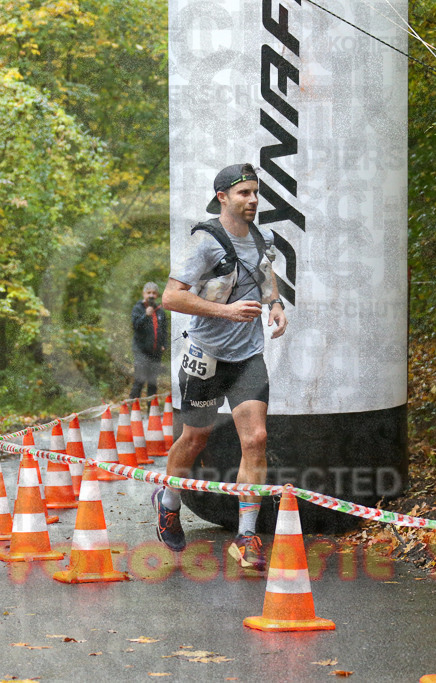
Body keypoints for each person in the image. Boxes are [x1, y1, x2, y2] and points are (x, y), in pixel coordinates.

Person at [151, 163, 287, 572]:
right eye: (244, 193)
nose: (253, 200)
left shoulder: (261, 238)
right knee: (195, 438)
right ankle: (168, 502)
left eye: (256, 192)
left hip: (247, 357)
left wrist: (275, 303)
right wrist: (226, 311)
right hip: (206, 357)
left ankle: (246, 536)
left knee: (256, 438)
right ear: (222, 197)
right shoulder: (205, 242)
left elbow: (265, 274)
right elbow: (171, 298)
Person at [130, 282, 168, 399]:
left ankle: (151, 408)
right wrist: (146, 315)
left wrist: (164, 344)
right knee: (140, 380)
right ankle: (132, 407)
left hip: (156, 352)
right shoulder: (138, 308)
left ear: (157, 295)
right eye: (149, 292)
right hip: (141, 351)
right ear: (144, 294)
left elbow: (164, 330)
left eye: (154, 293)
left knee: (153, 382)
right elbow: (136, 326)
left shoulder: (160, 311)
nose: (151, 295)